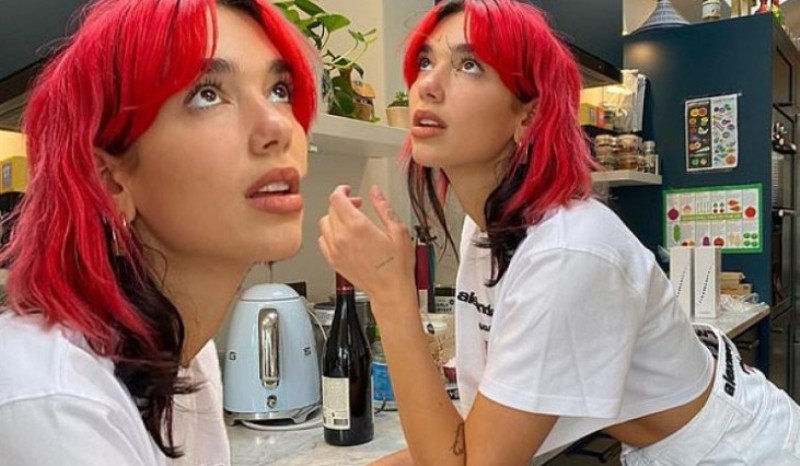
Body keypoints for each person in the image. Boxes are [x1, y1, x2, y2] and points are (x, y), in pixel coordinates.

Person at [318, 1, 800, 465]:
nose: (427, 85)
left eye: (469, 66)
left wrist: (391, 293)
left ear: (527, 116)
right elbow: (471, 439)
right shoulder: (487, 228)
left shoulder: (568, 250)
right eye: (426, 61)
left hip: (740, 451)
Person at [0, 0, 315, 464]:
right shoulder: (53, 398)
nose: (278, 126)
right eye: (206, 94)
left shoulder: (185, 353)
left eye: (279, 89)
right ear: (111, 182)